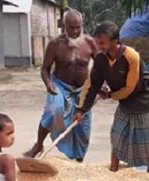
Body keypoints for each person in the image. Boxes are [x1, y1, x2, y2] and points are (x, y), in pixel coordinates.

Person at [75, 21, 149, 173]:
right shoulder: (100, 58)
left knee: (145, 137)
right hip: (125, 100)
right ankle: (113, 167)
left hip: (145, 98)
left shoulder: (132, 56)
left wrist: (111, 95)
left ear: (115, 41)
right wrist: (81, 110)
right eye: (97, 42)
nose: (99, 46)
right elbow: (92, 85)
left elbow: (130, 87)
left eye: (103, 42)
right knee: (118, 133)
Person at [23, 9, 99, 162]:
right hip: (60, 86)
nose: (75, 31)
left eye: (78, 27)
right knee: (53, 112)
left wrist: (100, 85)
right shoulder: (55, 44)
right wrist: (48, 83)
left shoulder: (90, 43)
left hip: (83, 89)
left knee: (83, 124)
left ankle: (79, 159)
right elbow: (45, 68)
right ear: (64, 26)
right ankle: (38, 145)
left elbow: (101, 65)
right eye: (71, 27)